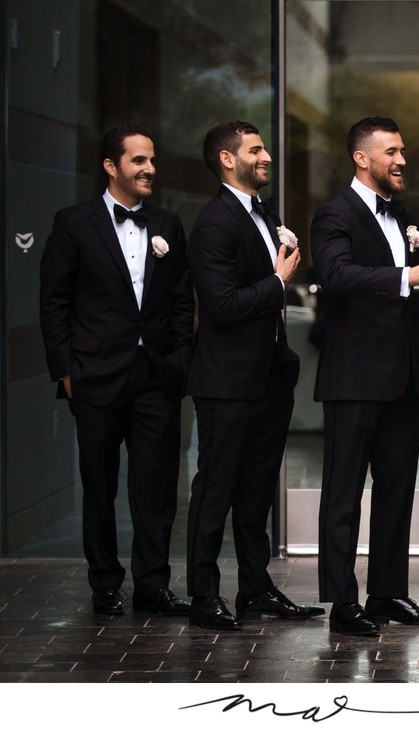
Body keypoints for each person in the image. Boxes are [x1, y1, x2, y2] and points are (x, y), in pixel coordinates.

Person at [39, 124, 193, 616]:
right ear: (111, 167)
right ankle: (105, 582)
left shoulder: (168, 223)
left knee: (156, 487)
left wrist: (180, 358)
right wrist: (66, 372)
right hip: (95, 377)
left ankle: (152, 584)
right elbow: (54, 303)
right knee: (99, 486)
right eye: (138, 161)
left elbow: (181, 302)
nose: (150, 169)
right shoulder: (73, 222)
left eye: (152, 160)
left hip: (156, 377)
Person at [310, 117, 419, 635]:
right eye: (391, 151)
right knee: (343, 494)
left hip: (400, 379)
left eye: (403, 150)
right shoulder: (334, 215)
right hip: (352, 379)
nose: (402, 160)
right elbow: (335, 275)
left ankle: (387, 594)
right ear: (362, 158)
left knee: (397, 490)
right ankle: (343, 603)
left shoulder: (403, 214)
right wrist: (407, 275)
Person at [186, 120, 323, 630]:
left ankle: (255, 588)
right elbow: (220, 307)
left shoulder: (264, 214)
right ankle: (203, 597)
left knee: (257, 491)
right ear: (228, 159)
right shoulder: (214, 222)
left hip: (267, 377)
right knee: (215, 490)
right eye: (256, 150)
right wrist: (277, 282)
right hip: (227, 383)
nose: (266, 157)